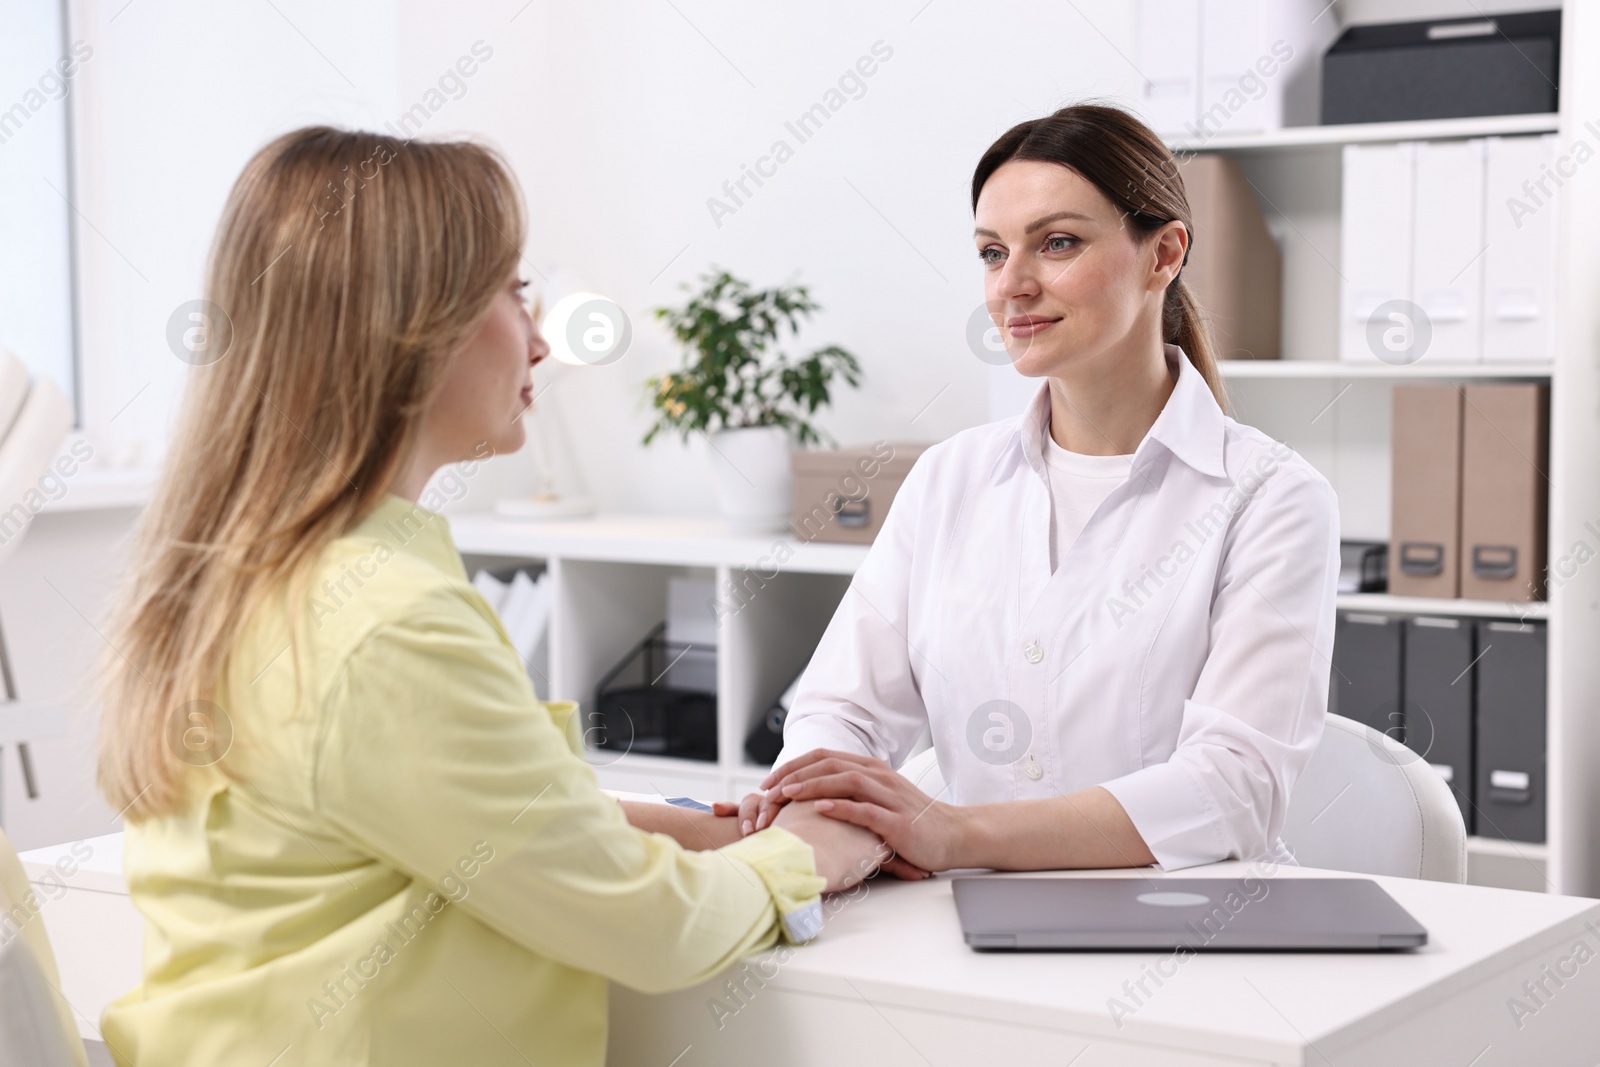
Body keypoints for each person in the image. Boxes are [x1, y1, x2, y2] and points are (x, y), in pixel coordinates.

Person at [94, 127, 882, 1067]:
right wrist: (813, 855)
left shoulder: (251, 573)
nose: (542, 340)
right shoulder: (388, 623)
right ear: (411, 325)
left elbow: (443, 812)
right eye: (515, 292)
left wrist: (700, 826)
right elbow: (651, 929)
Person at [722, 104, 1340, 877]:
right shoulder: (950, 478)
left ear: (1164, 254)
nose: (1012, 285)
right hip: (963, 920)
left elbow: (1232, 788)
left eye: (1057, 243)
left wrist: (959, 833)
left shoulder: (1270, 498)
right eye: (990, 252)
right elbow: (841, 710)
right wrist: (828, 803)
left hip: (1186, 937)